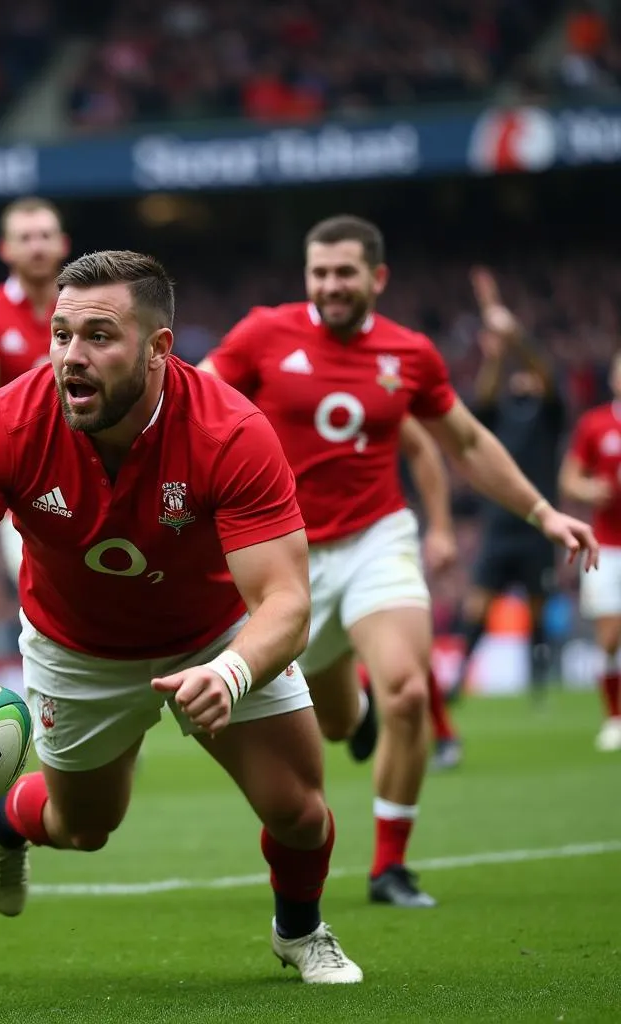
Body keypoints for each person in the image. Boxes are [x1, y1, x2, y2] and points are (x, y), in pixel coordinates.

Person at [0, 250, 363, 984]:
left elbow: (287, 602)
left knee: (298, 809)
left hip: (216, 637)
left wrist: (231, 672)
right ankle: (6, 820)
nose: (72, 356)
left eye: (99, 336)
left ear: (159, 349)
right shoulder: (8, 421)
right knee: (85, 828)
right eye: (61, 334)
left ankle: (300, 931)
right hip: (77, 647)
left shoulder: (230, 431)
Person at [199, 215, 597, 908]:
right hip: (287, 557)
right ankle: (359, 718)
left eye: (345, 273)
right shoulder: (264, 333)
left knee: (410, 690)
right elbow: (196, 399)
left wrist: (542, 510)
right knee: (334, 723)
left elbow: (465, 443)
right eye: (319, 273)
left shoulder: (409, 354)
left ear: (376, 278)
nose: (331, 286)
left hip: (378, 536)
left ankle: (390, 866)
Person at [448, 267, 568, 702]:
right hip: (500, 522)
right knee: (479, 605)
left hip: (537, 522)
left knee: (537, 605)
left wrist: (515, 337)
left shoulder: (549, 414)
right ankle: (460, 677)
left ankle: (539, 682)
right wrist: (497, 352)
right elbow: (482, 398)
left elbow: (547, 373)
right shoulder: (499, 418)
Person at [0, 197, 69, 583]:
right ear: (6, 249)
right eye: (25, 237)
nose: (36, 246)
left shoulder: (88, 309)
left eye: (44, 236)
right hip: (26, 489)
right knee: (45, 598)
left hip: (98, 473)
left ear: (63, 244)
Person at [559, 351, 621, 752]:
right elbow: (570, 479)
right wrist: (590, 490)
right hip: (609, 546)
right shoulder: (596, 424)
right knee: (610, 636)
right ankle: (615, 717)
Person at [396, 418, 463, 771]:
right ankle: (358, 708)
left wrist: (440, 527)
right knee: (336, 717)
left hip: (380, 532)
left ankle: (444, 733)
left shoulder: (379, 369)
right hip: (303, 539)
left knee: (412, 653)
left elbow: (424, 445)